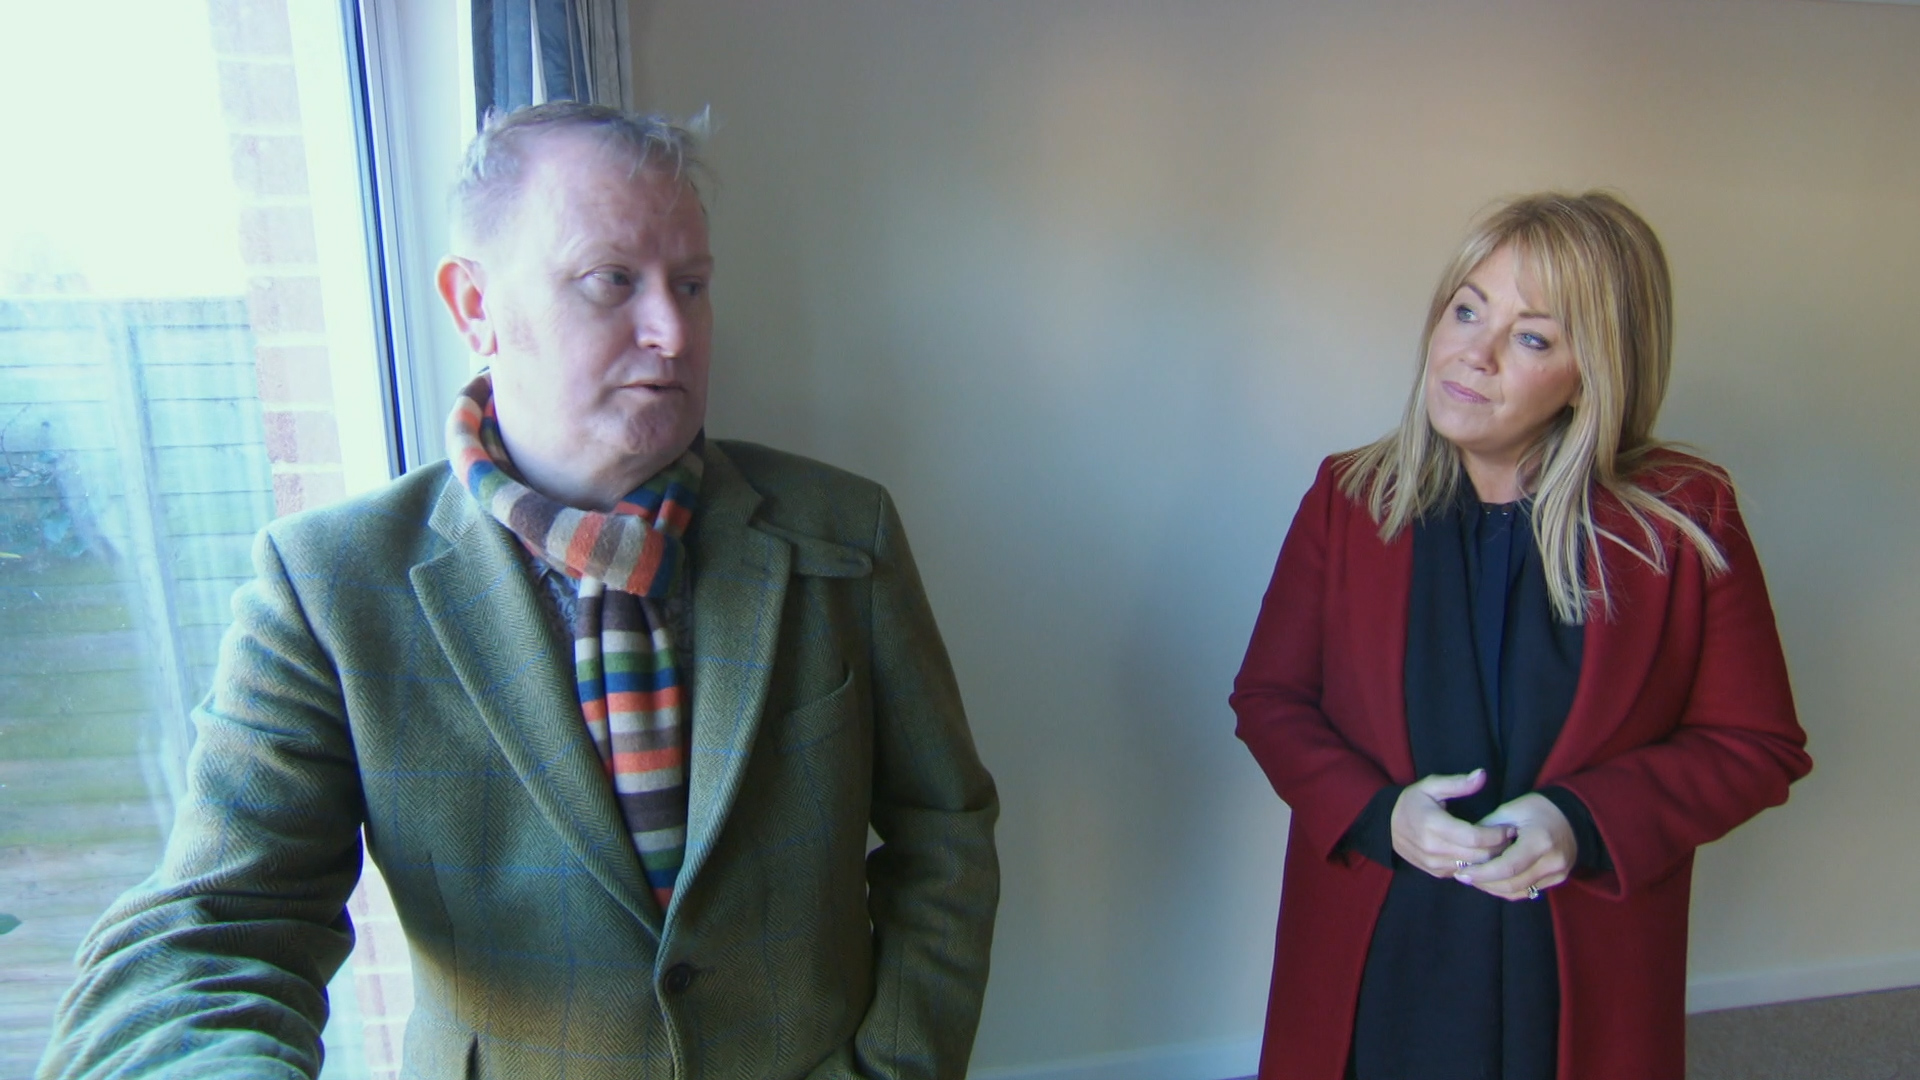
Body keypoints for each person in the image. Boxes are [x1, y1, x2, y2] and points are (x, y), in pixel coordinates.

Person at [39, 103, 999, 1080]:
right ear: (474, 306)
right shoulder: (330, 590)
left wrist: (894, 1069)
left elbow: (945, 833)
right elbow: (213, 929)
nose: (673, 331)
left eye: (692, 284)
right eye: (611, 280)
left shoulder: (841, 536)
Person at [1229, 192, 1810, 1080]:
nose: (1476, 352)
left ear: (1596, 372)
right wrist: (1382, 816)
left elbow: (1756, 743)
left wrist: (1580, 821)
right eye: (1467, 310)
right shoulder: (1348, 499)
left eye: (1532, 338)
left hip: (1576, 962)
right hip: (1381, 941)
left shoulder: (1685, 516)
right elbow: (1270, 700)